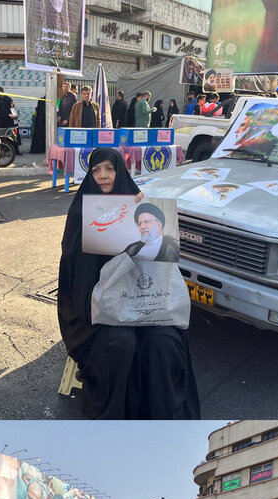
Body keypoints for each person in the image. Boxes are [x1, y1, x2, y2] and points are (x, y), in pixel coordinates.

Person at [58, 148, 200, 419]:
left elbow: (163, 262)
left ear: (120, 171)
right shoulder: (80, 212)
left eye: (109, 169)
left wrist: (140, 215)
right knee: (120, 344)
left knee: (163, 344)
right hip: (97, 308)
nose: (102, 176)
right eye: (96, 170)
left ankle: (161, 417)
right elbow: (73, 273)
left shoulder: (140, 206)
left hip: (147, 302)